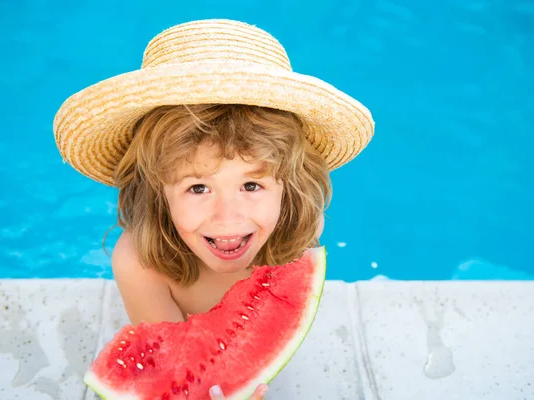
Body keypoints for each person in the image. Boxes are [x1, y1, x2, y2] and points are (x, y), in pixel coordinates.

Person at [54, 18, 373, 400]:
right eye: (198, 187)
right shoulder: (139, 262)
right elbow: (177, 375)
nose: (228, 218)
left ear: (289, 186)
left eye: (252, 185)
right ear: (159, 192)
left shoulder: (302, 230)